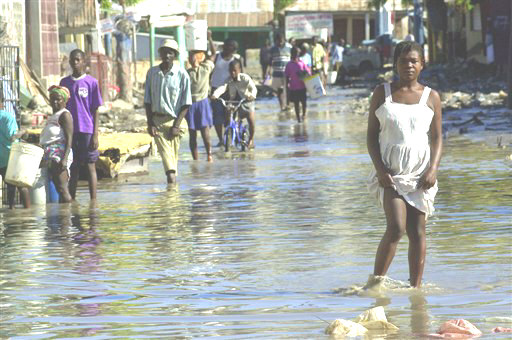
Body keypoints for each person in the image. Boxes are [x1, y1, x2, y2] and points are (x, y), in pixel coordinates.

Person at [366, 41, 442, 287]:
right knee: (397, 227)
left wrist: (433, 169)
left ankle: (415, 289)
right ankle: (375, 284)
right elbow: (370, 136)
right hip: (391, 172)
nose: (408, 65)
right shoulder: (382, 93)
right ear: (395, 63)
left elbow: (438, 137)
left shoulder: (431, 97)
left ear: (422, 64)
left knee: (418, 231)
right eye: (403, 60)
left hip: (421, 173)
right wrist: (380, 171)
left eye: (413, 61)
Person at [144, 39, 192, 184]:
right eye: (164, 52)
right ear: (160, 53)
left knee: (173, 158)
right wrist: (150, 123)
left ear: (175, 56)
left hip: (175, 122)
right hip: (157, 122)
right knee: (167, 157)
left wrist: (176, 125)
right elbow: (147, 101)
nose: (166, 55)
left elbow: (186, 104)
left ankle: (172, 198)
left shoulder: (182, 75)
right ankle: (171, 184)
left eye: (170, 52)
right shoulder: (152, 73)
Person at [60, 49, 103, 201]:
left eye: (78, 60)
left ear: (84, 61)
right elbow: (60, 109)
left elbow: (96, 109)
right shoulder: (64, 83)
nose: (75, 63)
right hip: (70, 131)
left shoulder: (92, 83)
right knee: (73, 166)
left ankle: (93, 202)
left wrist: (95, 134)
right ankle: (71, 200)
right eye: (72, 60)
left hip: (87, 130)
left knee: (90, 165)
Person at [211, 59, 257, 148]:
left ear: (239, 70)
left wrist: (252, 95)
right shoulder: (228, 80)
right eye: (231, 70)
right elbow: (222, 88)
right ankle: (228, 137)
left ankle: (251, 140)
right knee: (228, 117)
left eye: (235, 70)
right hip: (234, 103)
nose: (233, 73)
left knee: (251, 120)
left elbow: (253, 88)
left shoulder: (245, 78)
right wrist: (215, 95)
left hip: (246, 102)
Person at [40, 85, 74, 203]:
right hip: (51, 154)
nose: (55, 102)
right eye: (52, 98)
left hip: (60, 155)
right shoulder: (53, 116)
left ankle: (70, 215)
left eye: (58, 99)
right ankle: (63, 217)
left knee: (62, 188)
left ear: (64, 100)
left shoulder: (65, 115)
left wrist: (64, 159)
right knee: (59, 189)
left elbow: (70, 139)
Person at [186, 31, 216, 162]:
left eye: (194, 56)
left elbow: (214, 54)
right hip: (190, 104)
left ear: (199, 58)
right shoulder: (186, 73)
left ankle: (209, 155)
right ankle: (195, 159)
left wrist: (209, 39)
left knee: (205, 133)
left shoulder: (206, 68)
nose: (192, 58)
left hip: (203, 103)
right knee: (192, 134)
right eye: (190, 56)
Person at [0, 93, 30, 209]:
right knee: (21, 184)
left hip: (1, 158)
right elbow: (12, 137)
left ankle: (11, 208)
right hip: (10, 156)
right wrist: (23, 131)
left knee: (9, 184)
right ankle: (27, 213)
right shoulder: (7, 117)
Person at [210, 38, 242, 147]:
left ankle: (229, 137)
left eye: (234, 49)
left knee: (230, 115)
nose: (232, 51)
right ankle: (221, 139)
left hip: (231, 90)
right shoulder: (217, 57)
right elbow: (210, 71)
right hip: (216, 91)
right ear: (225, 47)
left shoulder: (237, 59)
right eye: (230, 48)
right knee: (217, 117)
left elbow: (242, 75)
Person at [284, 47, 311, 123]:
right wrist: (287, 86)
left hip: (302, 86)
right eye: (295, 53)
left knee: (304, 102)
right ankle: (298, 118)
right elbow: (287, 76)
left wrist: (305, 74)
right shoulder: (289, 65)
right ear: (292, 54)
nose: (296, 55)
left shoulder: (302, 63)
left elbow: (308, 73)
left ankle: (304, 115)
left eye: (298, 53)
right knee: (296, 103)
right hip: (294, 87)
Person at [270, 32, 291, 111]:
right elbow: (270, 60)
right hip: (277, 72)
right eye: (279, 41)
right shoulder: (273, 49)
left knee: (288, 88)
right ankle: (282, 106)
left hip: (288, 72)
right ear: (276, 41)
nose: (280, 42)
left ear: (284, 40)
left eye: (282, 41)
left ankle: (288, 104)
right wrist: (269, 71)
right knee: (280, 90)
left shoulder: (289, 47)